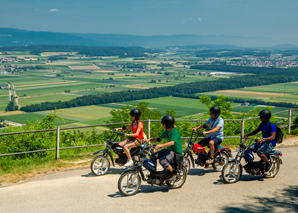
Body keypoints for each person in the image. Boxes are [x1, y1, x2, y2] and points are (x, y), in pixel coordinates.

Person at [145, 115, 182, 180]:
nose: (162, 125)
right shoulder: (166, 131)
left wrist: (161, 145)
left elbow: (172, 142)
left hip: (175, 152)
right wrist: (149, 139)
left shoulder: (175, 131)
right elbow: (158, 138)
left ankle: (173, 173)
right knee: (153, 156)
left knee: (162, 161)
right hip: (169, 150)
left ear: (168, 124)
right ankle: (154, 173)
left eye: (163, 124)